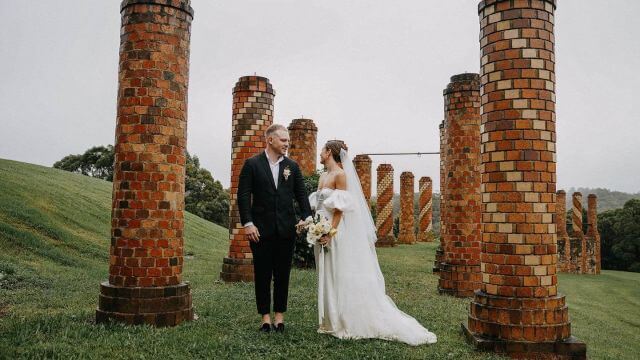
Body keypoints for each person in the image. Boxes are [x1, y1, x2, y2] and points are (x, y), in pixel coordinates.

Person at [308, 140, 437, 346]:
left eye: (322, 150)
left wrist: (330, 232)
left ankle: (343, 318)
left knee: (337, 271)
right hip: (319, 227)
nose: (320, 153)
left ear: (329, 152)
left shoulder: (341, 175)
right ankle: (328, 320)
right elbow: (319, 205)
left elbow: (340, 209)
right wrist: (312, 226)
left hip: (334, 229)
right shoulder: (323, 175)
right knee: (325, 271)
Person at [237, 124, 312, 333]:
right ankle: (265, 318)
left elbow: (301, 195)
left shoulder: (292, 166)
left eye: (287, 141)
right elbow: (243, 196)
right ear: (270, 140)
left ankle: (280, 317)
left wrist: (306, 217)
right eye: (283, 140)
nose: (287, 144)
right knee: (262, 274)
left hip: (287, 230)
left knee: (282, 275)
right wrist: (248, 223)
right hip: (259, 230)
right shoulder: (252, 164)